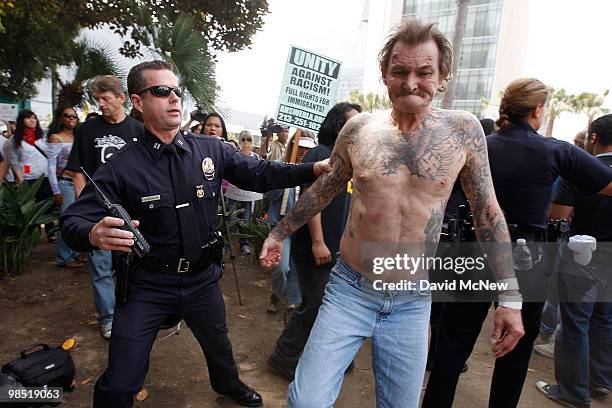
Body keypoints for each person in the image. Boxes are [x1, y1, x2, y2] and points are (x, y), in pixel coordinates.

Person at [259, 18, 525, 408]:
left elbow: (487, 214)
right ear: (384, 75)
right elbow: (324, 189)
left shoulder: (464, 131)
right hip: (350, 290)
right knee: (306, 401)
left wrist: (510, 299)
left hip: (413, 299)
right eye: (399, 71)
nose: (411, 82)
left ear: (443, 77)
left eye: (424, 72)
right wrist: (279, 233)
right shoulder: (358, 129)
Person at [60, 60, 330, 408]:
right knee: (121, 380)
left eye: (177, 90)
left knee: (219, 344)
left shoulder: (211, 150)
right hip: (148, 286)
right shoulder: (122, 166)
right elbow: (73, 221)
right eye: (161, 91)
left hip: (202, 280)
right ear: (138, 102)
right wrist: (94, 233)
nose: (174, 98)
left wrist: (311, 169)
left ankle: (228, 385)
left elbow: (261, 173)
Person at [423, 78, 612, 408]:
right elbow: (606, 183)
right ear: (537, 110)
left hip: (474, 250)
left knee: (452, 343)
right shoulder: (556, 150)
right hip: (529, 259)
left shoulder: (481, 147)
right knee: (515, 353)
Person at [267, 102, 361, 380]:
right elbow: (311, 201)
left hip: (338, 248)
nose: (359, 128)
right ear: (337, 126)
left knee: (332, 305)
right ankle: (283, 356)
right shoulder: (323, 154)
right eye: (352, 123)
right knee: (315, 304)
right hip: (314, 247)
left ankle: (330, 356)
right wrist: (318, 241)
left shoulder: (350, 161)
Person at [536, 113, 612, 408]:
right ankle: (601, 381)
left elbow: (557, 215)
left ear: (593, 138)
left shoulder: (582, 169)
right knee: (605, 320)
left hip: (583, 255)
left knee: (574, 324)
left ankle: (573, 393)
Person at [65, 75, 144, 339]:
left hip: (130, 212)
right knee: (99, 265)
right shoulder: (87, 130)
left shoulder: (137, 130)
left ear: (122, 98)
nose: (101, 104)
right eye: (97, 99)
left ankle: (129, 312)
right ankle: (108, 317)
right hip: (97, 211)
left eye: (106, 99)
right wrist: (82, 211)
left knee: (129, 264)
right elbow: (77, 171)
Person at [265, 131, 317, 314]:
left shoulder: (316, 170)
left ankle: (293, 302)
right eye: (300, 146)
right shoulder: (280, 166)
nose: (303, 151)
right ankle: (277, 293)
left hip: (304, 228)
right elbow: (269, 195)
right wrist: (288, 176)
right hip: (281, 226)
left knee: (297, 268)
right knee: (282, 268)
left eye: (308, 148)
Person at [6, 109, 55, 241]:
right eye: (28, 118)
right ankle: (35, 234)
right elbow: (14, 161)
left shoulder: (42, 136)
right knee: (31, 208)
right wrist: (20, 179)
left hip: (44, 176)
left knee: (47, 205)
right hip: (28, 178)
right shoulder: (14, 140)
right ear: (22, 121)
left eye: (34, 118)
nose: (32, 120)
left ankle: (51, 232)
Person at [47, 106, 84, 268]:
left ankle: (74, 253)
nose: (71, 119)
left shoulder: (80, 137)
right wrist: (56, 190)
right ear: (60, 118)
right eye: (67, 116)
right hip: (65, 184)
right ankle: (63, 257)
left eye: (74, 117)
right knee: (66, 221)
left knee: (77, 220)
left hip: (80, 184)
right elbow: (50, 167)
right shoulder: (56, 138)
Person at [227, 130, 261, 255]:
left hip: (248, 194)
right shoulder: (234, 155)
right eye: (243, 139)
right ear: (240, 141)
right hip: (234, 192)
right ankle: (226, 243)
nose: (246, 142)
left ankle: (244, 244)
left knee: (246, 219)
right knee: (231, 217)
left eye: (249, 139)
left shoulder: (256, 157)